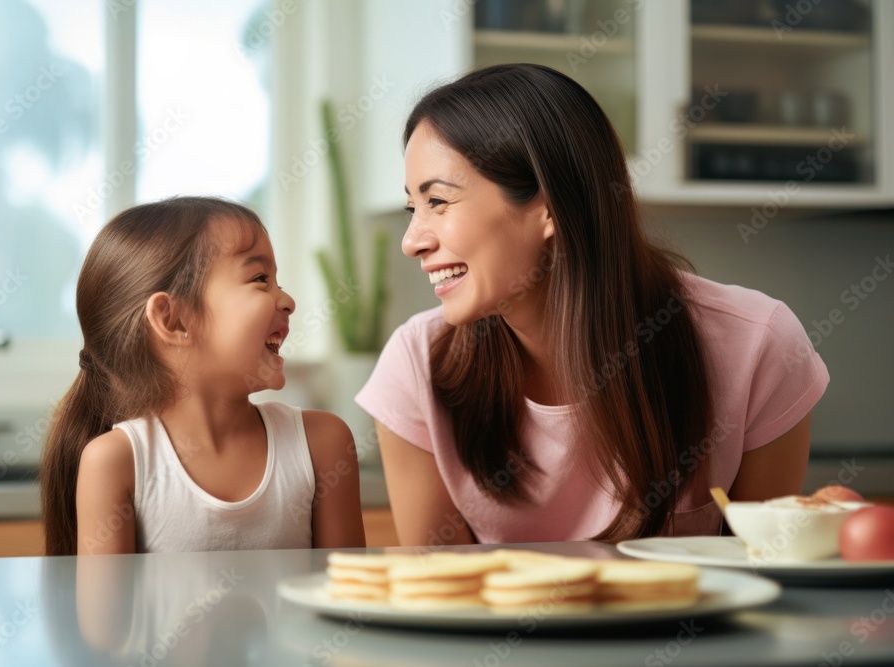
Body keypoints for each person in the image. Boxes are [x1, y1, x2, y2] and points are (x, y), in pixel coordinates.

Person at [355, 64, 830, 547]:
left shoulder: (759, 346)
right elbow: (438, 598)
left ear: (548, 207)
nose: (411, 241)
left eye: (437, 201)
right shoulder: (416, 365)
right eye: (413, 208)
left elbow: (758, 579)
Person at [41, 196, 365, 555]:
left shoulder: (322, 444)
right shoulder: (116, 463)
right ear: (174, 321)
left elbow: (347, 602)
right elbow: (106, 613)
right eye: (260, 279)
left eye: (277, 280)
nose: (287, 300)